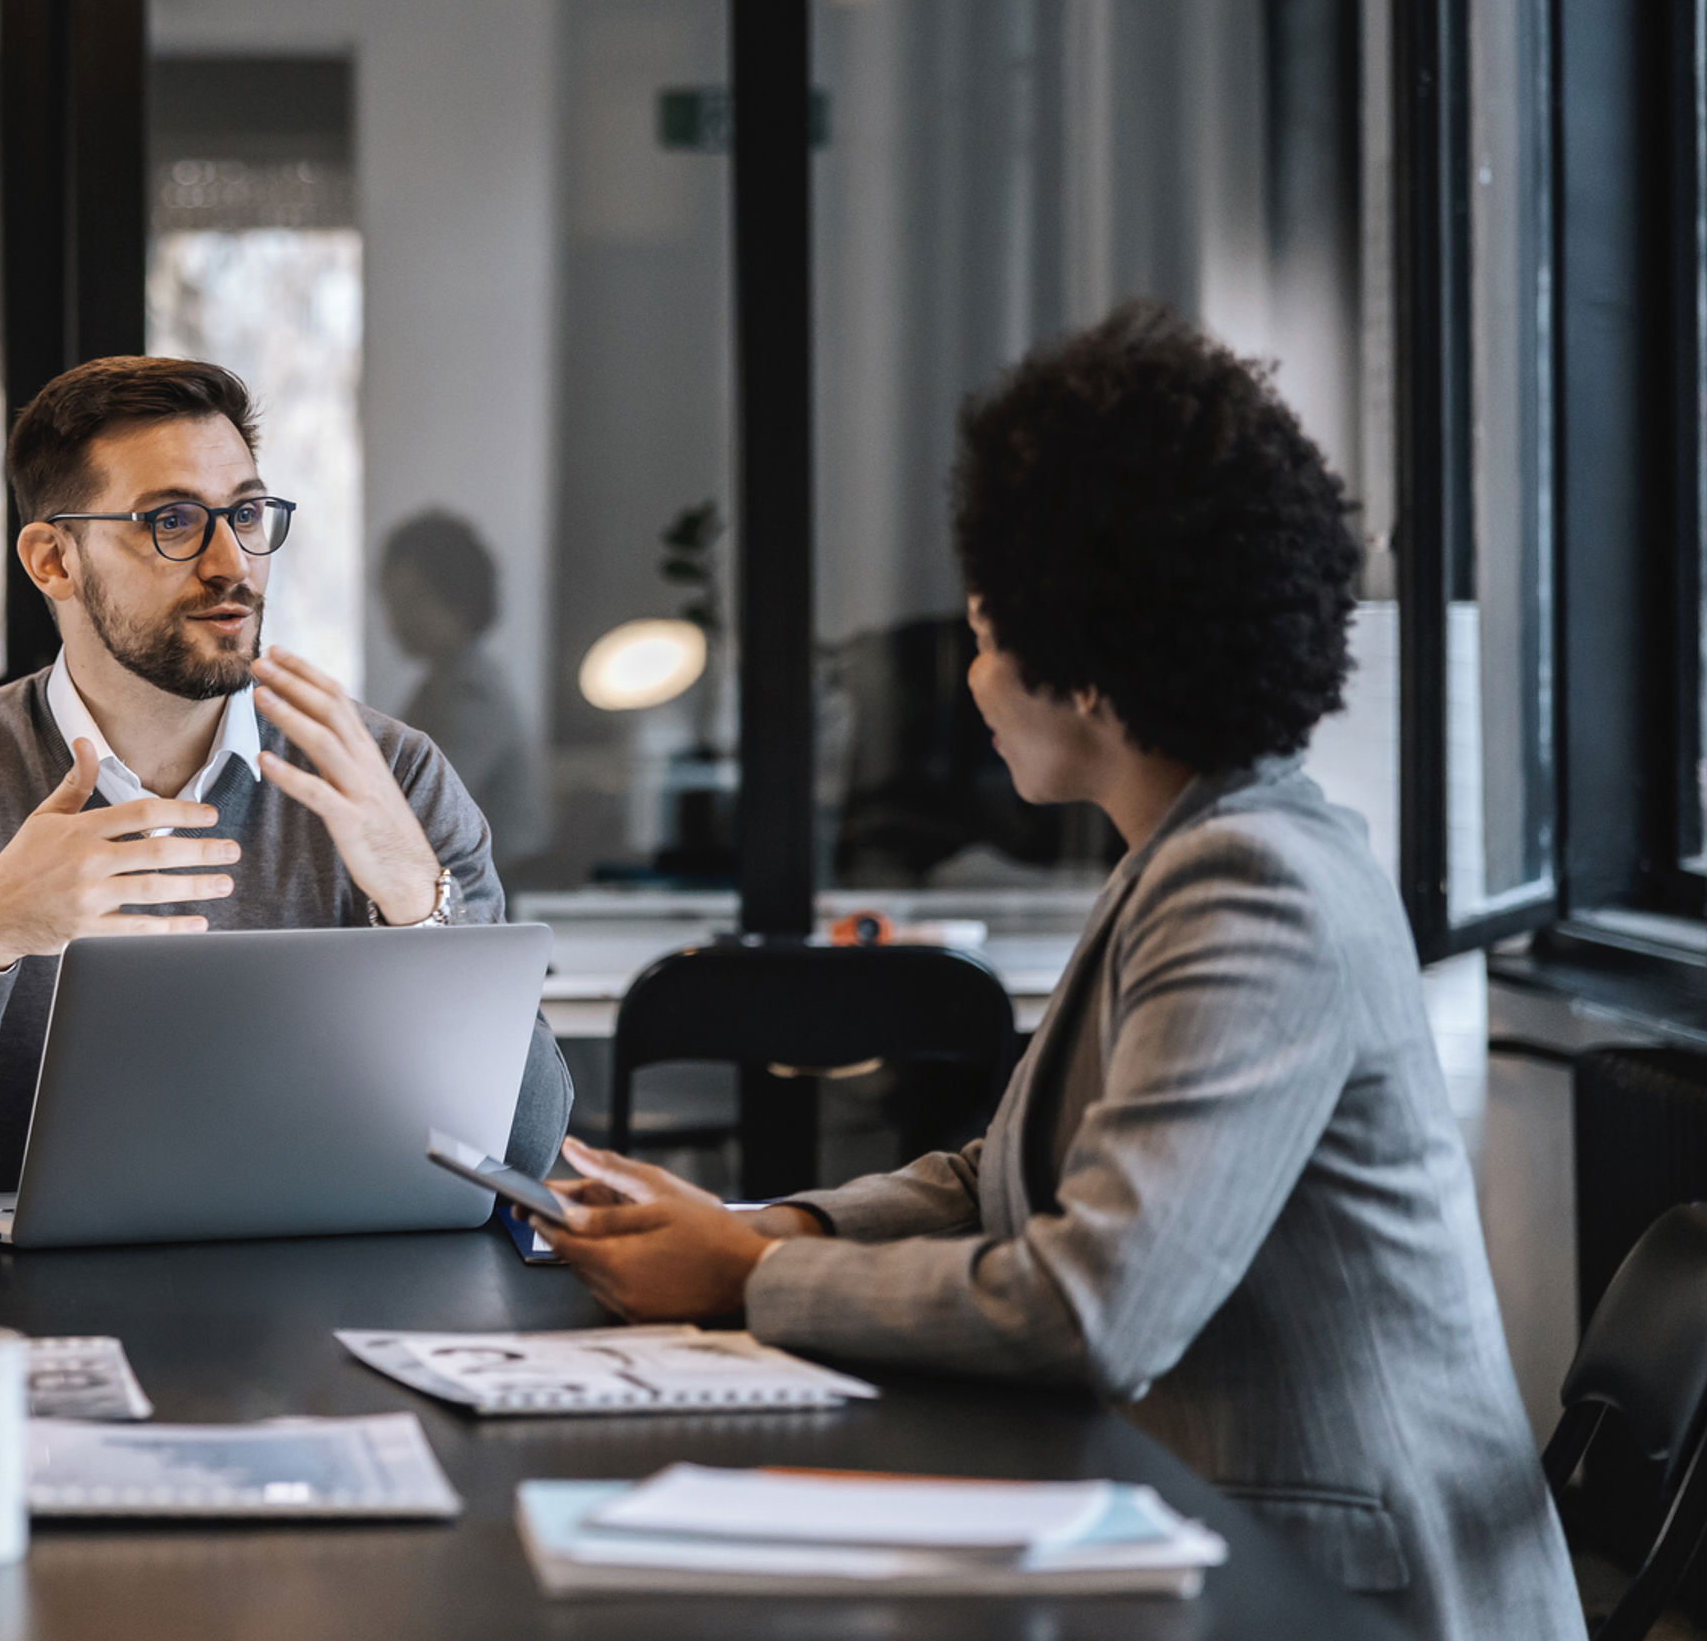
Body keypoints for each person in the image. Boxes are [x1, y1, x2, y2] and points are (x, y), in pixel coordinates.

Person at [531, 305, 1577, 1641]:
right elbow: (1002, 1173)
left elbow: (1097, 1306)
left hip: (1343, 1595)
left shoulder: (1250, 883)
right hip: (1220, 1537)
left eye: (982, 631)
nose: (970, 677)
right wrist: (775, 1228)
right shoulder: (1189, 850)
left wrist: (742, 1277)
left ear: (1084, 665)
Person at [0, 356, 571, 1186]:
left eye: (245, 513)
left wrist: (418, 904)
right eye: (172, 521)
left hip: (336, 1289)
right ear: (53, 561)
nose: (231, 563)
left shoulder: (392, 778)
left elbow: (524, 1152)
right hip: (36, 1300)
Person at [379, 510, 544, 859]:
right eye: (392, 602)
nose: (397, 618)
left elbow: (426, 803)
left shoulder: (475, 693)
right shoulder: (437, 684)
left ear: (459, 600)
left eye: (415, 601)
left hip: (496, 890)